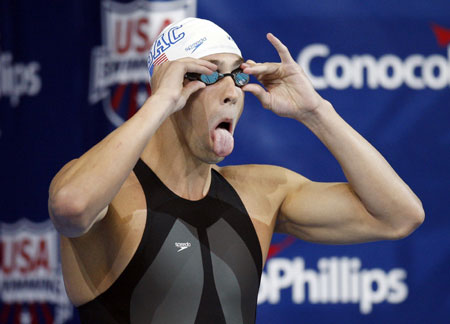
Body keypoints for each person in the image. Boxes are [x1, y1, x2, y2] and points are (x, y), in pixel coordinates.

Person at [48, 17, 424, 324]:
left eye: (238, 76)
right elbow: (70, 208)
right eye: (210, 75)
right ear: (170, 85)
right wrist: (159, 102)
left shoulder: (259, 192)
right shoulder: (113, 196)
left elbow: (398, 216)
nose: (232, 91)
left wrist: (317, 113)